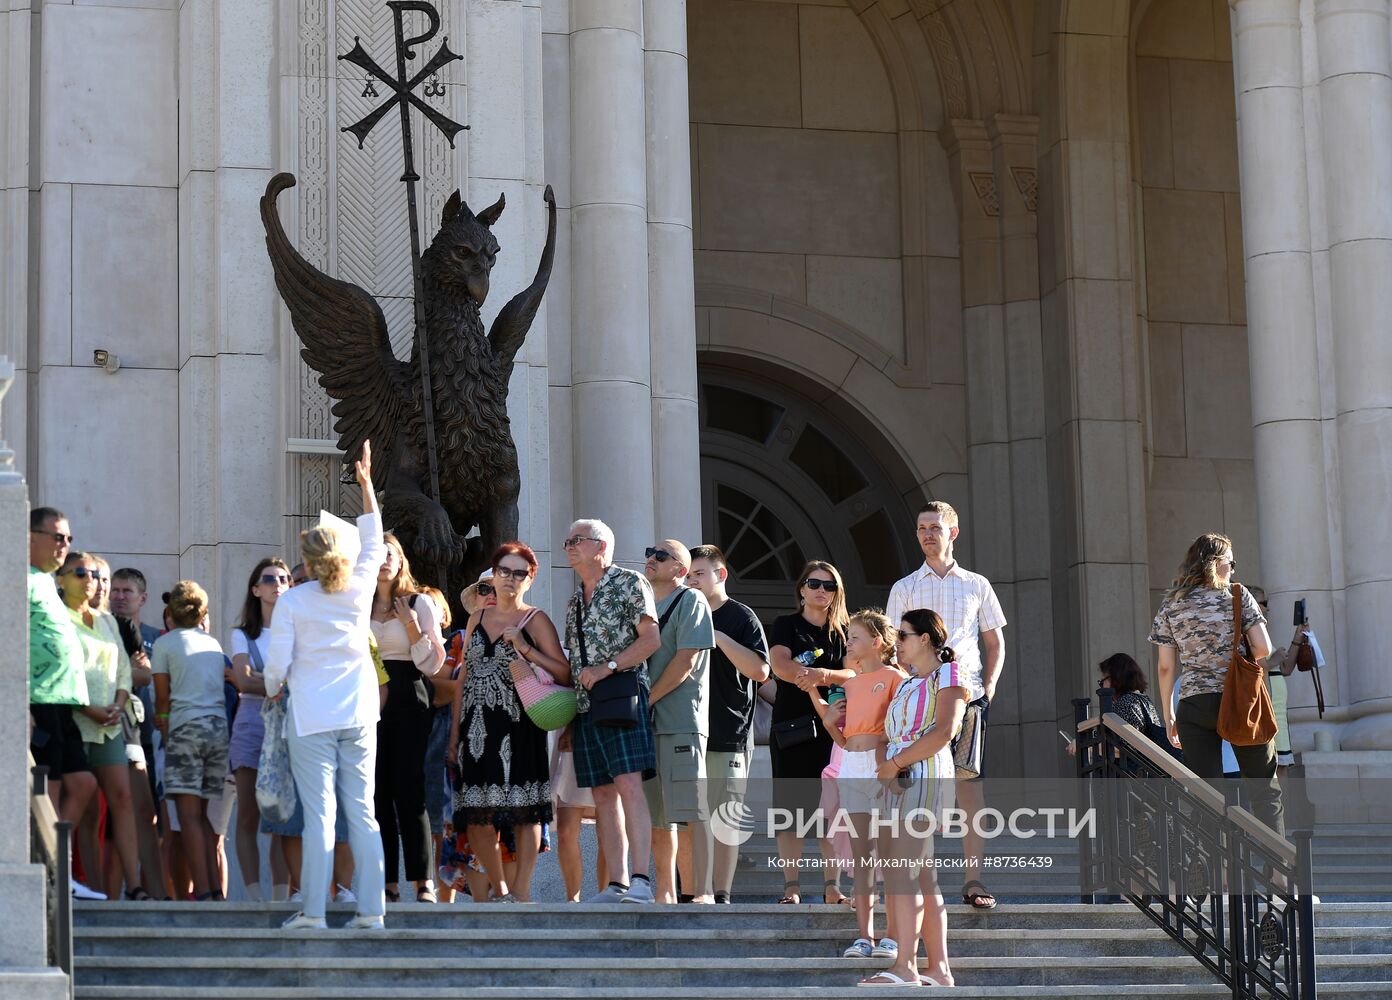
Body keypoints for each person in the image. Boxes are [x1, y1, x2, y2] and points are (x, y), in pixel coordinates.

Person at [264, 441, 388, 930]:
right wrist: (365, 484)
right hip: (359, 713)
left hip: (312, 717)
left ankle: (313, 912)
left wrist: (275, 685)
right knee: (363, 812)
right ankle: (372, 912)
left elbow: (276, 666)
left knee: (320, 815)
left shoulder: (294, 603)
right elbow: (375, 539)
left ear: (308, 561)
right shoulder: (359, 589)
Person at [885, 501, 1006, 910]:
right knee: (919, 788)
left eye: (935, 527)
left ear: (953, 532)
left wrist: (987, 686)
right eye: (921, 528)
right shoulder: (904, 587)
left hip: (967, 696)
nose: (927, 535)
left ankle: (974, 879)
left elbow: (994, 642)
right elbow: (893, 647)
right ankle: (922, 879)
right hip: (918, 698)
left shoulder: (976, 584)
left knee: (968, 788)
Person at [447, 543, 569, 902]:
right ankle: (499, 888)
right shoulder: (476, 619)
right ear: (494, 573)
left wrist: (527, 649)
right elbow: (462, 680)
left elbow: (564, 671)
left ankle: (522, 890)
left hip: (520, 725)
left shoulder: (536, 619)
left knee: (525, 811)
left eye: (520, 573)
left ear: (530, 579)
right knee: (477, 812)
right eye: (505, 571)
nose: (511, 579)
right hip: (476, 727)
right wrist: (454, 735)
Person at [857, 608, 967, 988]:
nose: (897, 643)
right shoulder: (907, 683)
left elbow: (946, 731)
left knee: (904, 872)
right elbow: (886, 735)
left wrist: (895, 764)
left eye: (902, 635)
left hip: (925, 775)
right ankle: (940, 970)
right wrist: (885, 766)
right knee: (920, 876)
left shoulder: (948, 673)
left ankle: (906, 966)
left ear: (924, 638)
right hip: (898, 779)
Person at [1150, 533, 1283, 834]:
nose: (1233, 570)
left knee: (1207, 796)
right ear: (1218, 564)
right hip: (1239, 699)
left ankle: (1220, 874)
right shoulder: (1238, 594)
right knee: (1264, 788)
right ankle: (1278, 872)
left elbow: (1165, 666)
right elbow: (1264, 649)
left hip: (1193, 704)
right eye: (1231, 563)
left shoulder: (1172, 604)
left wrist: (1169, 715)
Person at [562, 518, 661, 904]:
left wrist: (609, 667)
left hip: (622, 696)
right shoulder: (574, 600)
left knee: (628, 785)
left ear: (601, 546)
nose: (569, 546)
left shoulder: (629, 583)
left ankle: (641, 880)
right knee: (602, 794)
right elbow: (574, 663)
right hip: (586, 708)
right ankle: (617, 882)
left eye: (577, 540)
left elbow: (651, 639)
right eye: (567, 540)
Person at [812, 609, 903, 962]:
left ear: (876, 642)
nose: (848, 642)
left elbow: (899, 727)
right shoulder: (848, 684)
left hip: (882, 770)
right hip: (852, 766)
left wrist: (887, 765)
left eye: (855, 636)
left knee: (891, 856)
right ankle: (864, 936)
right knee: (862, 856)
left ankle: (893, 935)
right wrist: (831, 722)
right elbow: (845, 738)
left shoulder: (895, 677)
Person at [56, 552, 146, 900]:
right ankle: (89, 886)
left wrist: (119, 703)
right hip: (76, 720)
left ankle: (133, 885)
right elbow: (62, 669)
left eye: (93, 574)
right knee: (88, 807)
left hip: (110, 721)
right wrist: (89, 708)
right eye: (81, 573)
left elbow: (124, 667)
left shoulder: (107, 621)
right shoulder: (58, 618)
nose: (90, 579)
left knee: (122, 799)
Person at [685, 545, 769, 904]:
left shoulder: (741, 617)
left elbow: (760, 671)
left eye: (699, 574)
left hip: (730, 733)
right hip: (685, 731)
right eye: (688, 575)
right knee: (691, 816)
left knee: (725, 819)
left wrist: (716, 636)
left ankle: (722, 895)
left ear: (720, 575)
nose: (692, 581)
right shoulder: (680, 612)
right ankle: (694, 890)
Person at [768, 560, 855, 905]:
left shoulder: (846, 630)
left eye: (829, 585)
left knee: (830, 810)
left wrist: (822, 675)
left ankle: (832, 886)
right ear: (802, 588)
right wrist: (808, 678)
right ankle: (792, 887)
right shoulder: (787, 624)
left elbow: (854, 672)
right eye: (815, 584)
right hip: (792, 726)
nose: (822, 590)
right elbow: (779, 663)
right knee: (791, 811)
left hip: (836, 729)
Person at [370, 530, 447, 902]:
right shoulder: (359, 604)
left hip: (409, 692)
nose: (385, 559)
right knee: (377, 793)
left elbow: (434, 664)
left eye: (391, 553)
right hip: (368, 697)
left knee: (409, 789)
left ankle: (423, 881)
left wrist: (411, 626)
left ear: (401, 561)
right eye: (378, 553)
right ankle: (387, 883)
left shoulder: (418, 602)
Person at [28, 507, 101, 898]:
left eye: (69, 539)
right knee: (52, 785)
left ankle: (57, 865)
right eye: (58, 537)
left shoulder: (45, 581)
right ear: (31, 536)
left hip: (63, 699)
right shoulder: (18, 578)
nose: (65, 546)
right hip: (39, 696)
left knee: (84, 783)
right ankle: (50, 873)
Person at [638, 539, 715, 904]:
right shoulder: (644, 605)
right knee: (659, 817)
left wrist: (646, 700)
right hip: (649, 724)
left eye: (662, 555)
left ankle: (703, 891)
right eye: (650, 552)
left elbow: (686, 661)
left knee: (691, 811)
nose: (651, 559)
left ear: (681, 570)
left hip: (679, 722)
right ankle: (665, 892)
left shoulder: (691, 600)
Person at [151, 580, 229, 900]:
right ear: (203, 613)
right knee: (204, 817)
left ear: (171, 613)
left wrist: (167, 733)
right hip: (218, 732)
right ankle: (214, 890)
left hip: (185, 730)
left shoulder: (165, 645)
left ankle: (206, 893)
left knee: (186, 817)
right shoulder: (213, 645)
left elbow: (162, 700)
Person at [226, 557, 293, 901]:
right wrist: (281, 682)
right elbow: (241, 679)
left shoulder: (296, 631)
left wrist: (262, 680)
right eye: (269, 579)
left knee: (281, 819)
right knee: (249, 816)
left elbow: (254, 679)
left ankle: (281, 900)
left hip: (288, 726)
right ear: (256, 589)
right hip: (252, 724)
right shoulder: (242, 634)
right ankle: (253, 899)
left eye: (284, 578)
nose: (277, 583)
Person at [109, 567, 168, 896]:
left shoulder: (158, 637)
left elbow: (154, 680)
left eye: (126, 591)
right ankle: (112, 890)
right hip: (113, 731)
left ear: (142, 598)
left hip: (150, 738)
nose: (119, 596)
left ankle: (154, 890)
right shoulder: (102, 628)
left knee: (152, 820)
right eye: (114, 590)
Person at [1249, 587, 1303, 773]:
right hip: (1268, 710)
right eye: (1264, 603)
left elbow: (1286, 669)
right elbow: (1259, 665)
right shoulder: (1249, 632)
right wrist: (1276, 659)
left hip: (1278, 712)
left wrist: (1298, 637)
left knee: (1283, 766)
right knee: (1276, 768)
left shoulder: (1261, 632)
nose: (1267, 608)